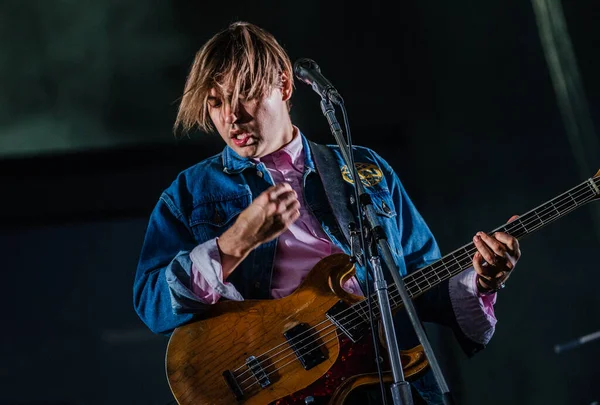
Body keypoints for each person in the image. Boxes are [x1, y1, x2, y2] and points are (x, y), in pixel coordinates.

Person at [133, 21, 521, 405]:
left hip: (382, 377)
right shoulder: (190, 192)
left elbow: (423, 282)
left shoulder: (365, 169)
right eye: (216, 102)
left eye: (244, 95)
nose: (230, 116)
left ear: (284, 85)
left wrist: (482, 281)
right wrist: (234, 243)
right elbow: (152, 303)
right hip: (281, 389)